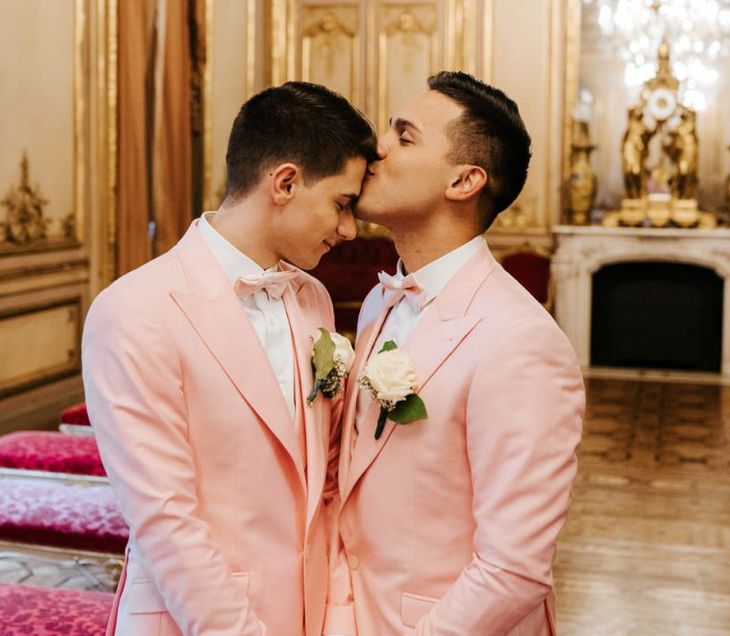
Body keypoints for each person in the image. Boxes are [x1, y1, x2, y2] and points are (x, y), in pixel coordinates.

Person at [82, 81, 377, 636]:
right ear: (285, 182)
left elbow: (327, 477)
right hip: (190, 619)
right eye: (341, 204)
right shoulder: (134, 310)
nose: (349, 229)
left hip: (310, 612)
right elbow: (164, 517)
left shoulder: (311, 299)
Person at [327, 71, 585, 635]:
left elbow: (513, 569)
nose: (377, 147)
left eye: (405, 135)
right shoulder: (380, 300)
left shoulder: (522, 343)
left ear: (465, 180)